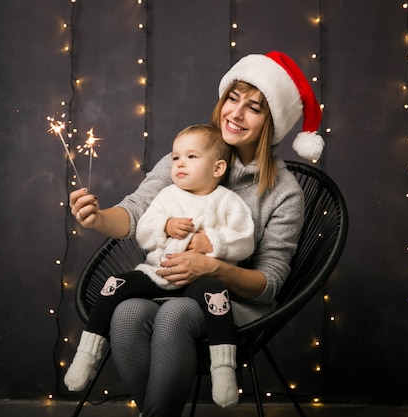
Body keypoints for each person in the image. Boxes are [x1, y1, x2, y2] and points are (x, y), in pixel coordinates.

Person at [69, 51, 324, 417]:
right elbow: (138, 209)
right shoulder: (189, 153)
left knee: (175, 315)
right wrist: (97, 219)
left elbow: (268, 283)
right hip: (166, 282)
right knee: (125, 314)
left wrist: (212, 267)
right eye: (232, 99)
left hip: (232, 303)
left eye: (254, 107)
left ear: (273, 122)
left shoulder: (284, 191)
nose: (235, 113)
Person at [64, 124, 255, 408]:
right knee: (114, 284)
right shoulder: (167, 196)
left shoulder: (227, 201)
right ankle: (87, 353)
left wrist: (212, 242)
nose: (179, 163)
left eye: (191, 157)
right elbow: (143, 230)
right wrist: (165, 226)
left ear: (217, 169)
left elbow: (244, 240)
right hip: (159, 274)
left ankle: (223, 369)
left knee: (217, 297)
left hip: (200, 279)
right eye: (176, 157)